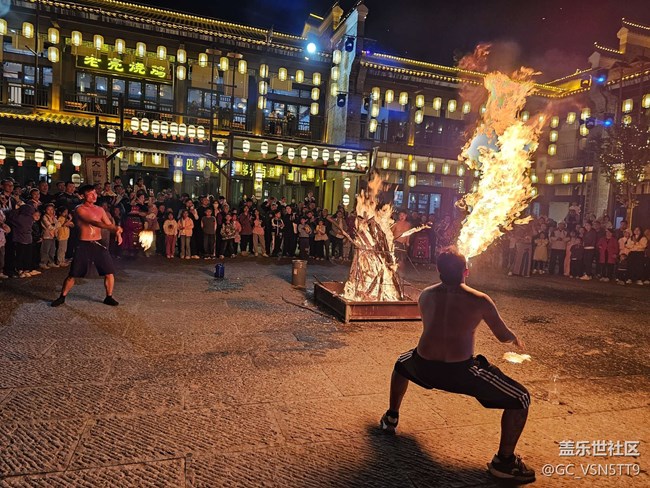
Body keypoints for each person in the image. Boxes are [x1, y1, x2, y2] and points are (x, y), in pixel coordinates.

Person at [380, 248, 534, 482]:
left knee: (401, 363)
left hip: (423, 366)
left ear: (438, 270)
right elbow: (502, 336)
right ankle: (504, 462)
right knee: (521, 398)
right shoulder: (479, 299)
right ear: (466, 271)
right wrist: (515, 337)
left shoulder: (425, 295)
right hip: (460, 373)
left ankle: (391, 417)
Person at [51, 185, 123, 307]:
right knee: (73, 274)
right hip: (84, 244)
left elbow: (108, 224)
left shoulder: (100, 210)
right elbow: (93, 222)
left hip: (98, 243)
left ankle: (109, 296)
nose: (94, 196)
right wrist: (114, 227)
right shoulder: (79, 209)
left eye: (95, 193)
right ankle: (62, 296)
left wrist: (117, 232)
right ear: (83, 196)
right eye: (90, 194)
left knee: (109, 272)